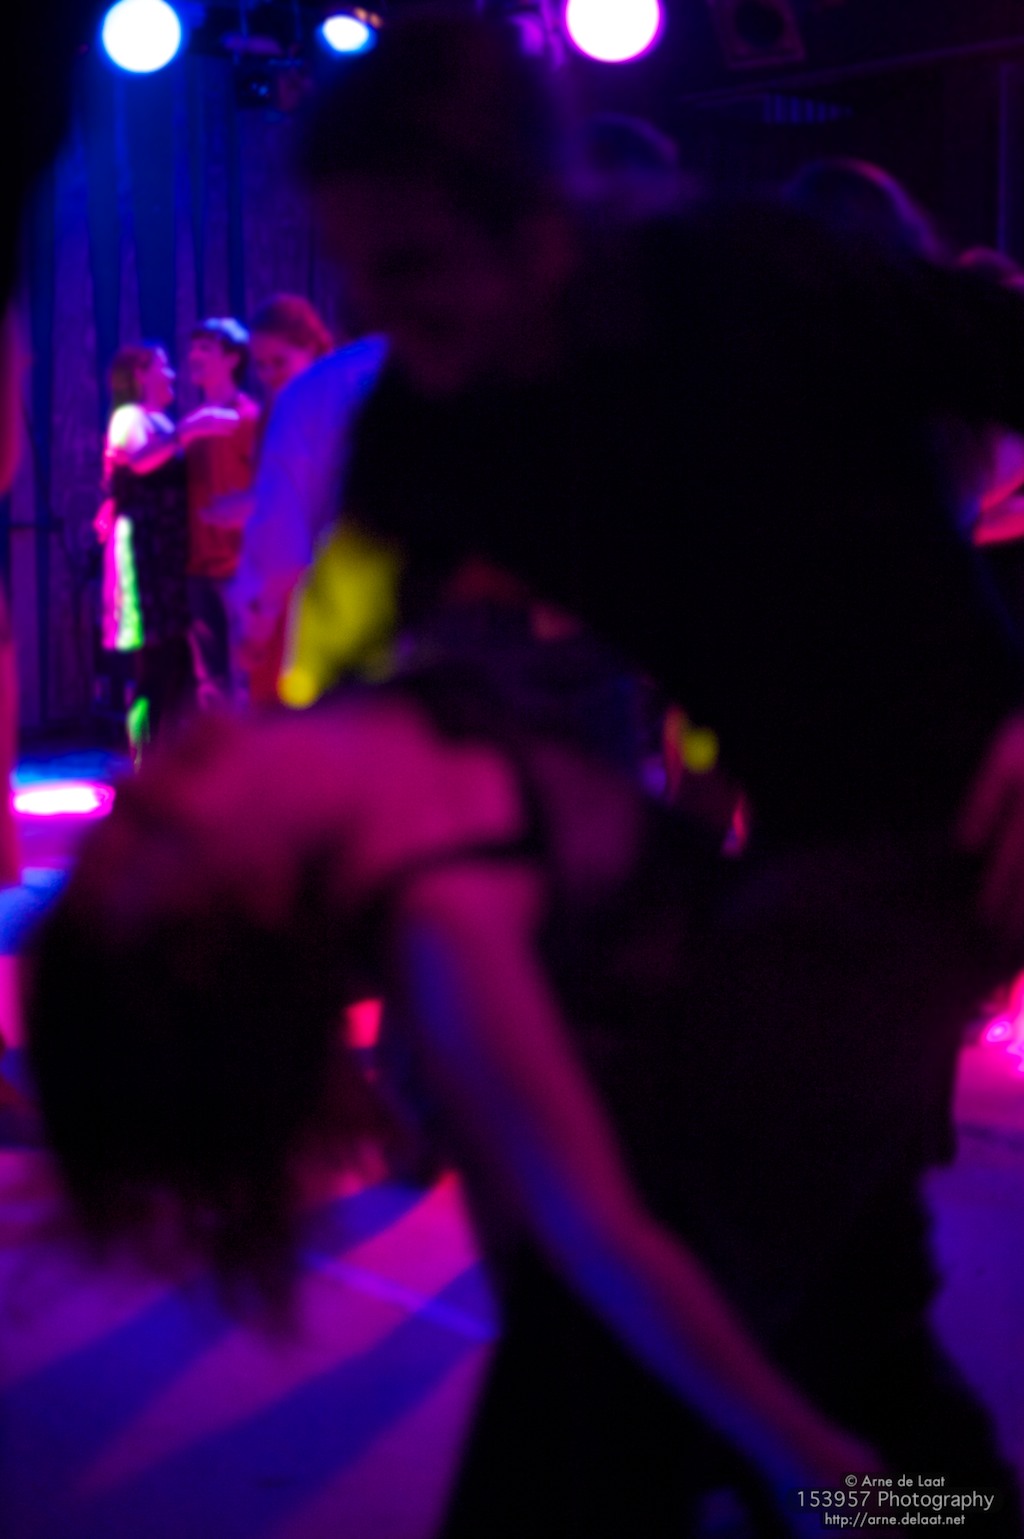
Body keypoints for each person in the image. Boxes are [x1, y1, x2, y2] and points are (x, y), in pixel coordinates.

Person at [97, 343, 189, 753]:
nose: (172, 374)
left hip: (168, 552)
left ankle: (168, 757)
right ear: (140, 374)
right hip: (145, 553)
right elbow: (139, 462)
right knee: (154, 666)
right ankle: (147, 762)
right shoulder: (130, 417)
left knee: (175, 663)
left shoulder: (162, 421)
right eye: (163, 366)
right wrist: (190, 430)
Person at [185, 317, 260, 707]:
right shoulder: (193, 425)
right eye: (192, 348)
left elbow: (270, 491)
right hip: (198, 569)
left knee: (245, 680)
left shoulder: (249, 418)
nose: (193, 356)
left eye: (205, 348)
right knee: (210, 684)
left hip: (239, 568)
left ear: (232, 358)